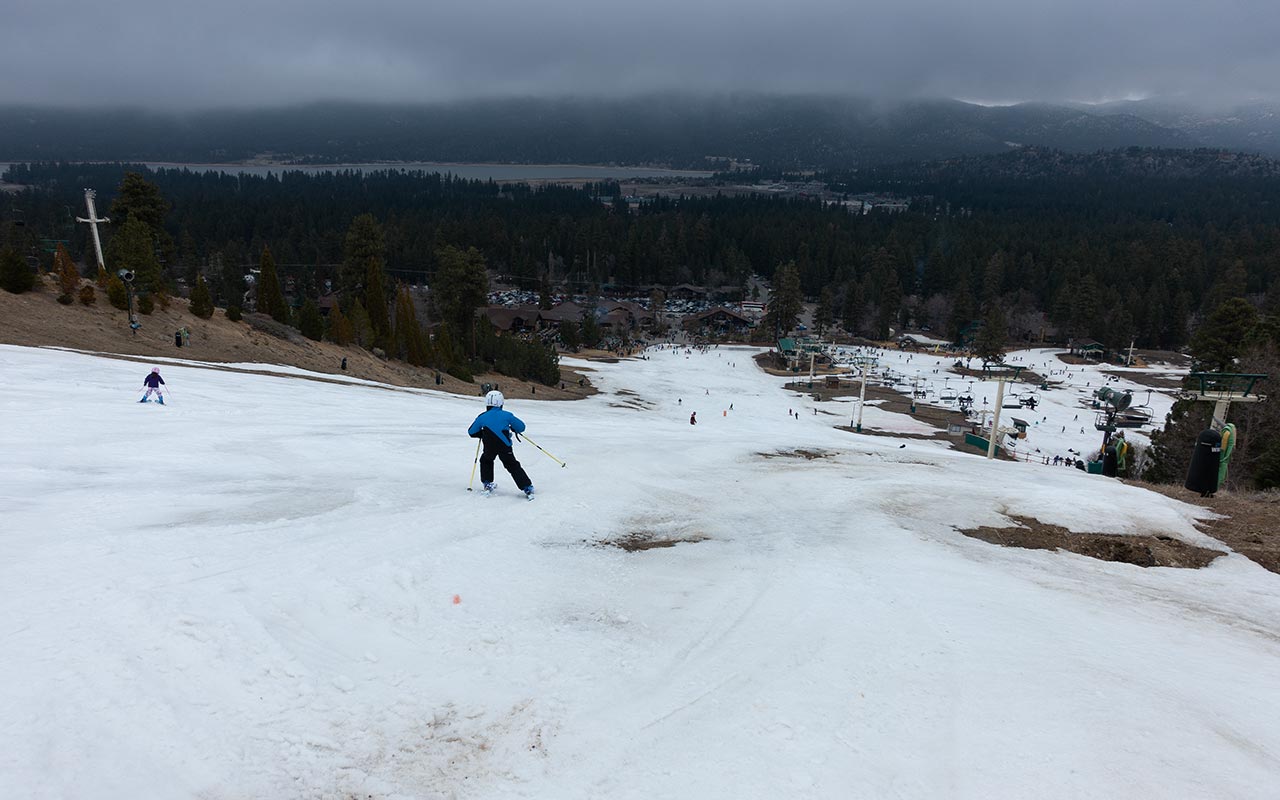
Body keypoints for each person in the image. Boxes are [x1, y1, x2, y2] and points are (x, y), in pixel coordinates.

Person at [468, 391, 534, 498]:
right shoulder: (507, 415)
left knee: (486, 460)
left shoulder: (482, 417)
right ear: (501, 403)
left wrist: (482, 433)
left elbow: (471, 432)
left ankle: (487, 483)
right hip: (505, 446)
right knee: (512, 465)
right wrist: (513, 427)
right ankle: (527, 486)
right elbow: (521, 427)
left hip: (489, 447)